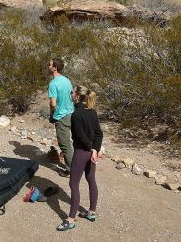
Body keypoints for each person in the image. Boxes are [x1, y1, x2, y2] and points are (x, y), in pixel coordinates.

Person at [57, 85, 104, 232]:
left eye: (72, 92)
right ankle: (91, 212)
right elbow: (99, 134)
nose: (71, 94)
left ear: (77, 96)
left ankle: (70, 220)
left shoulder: (76, 115)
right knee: (91, 180)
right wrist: (95, 149)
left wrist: (91, 149)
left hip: (81, 152)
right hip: (91, 153)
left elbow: (81, 138)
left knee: (73, 183)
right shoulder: (92, 112)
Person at [48, 58, 74, 172]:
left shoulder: (53, 83)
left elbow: (53, 103)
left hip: (61, 116)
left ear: (55, 68)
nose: (48, 67)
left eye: (50, 65)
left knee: (65, 145)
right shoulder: (67, 80)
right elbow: (72, 96)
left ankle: (71, 170)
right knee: (73, 141)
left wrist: (52, 115)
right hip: (71, 113)